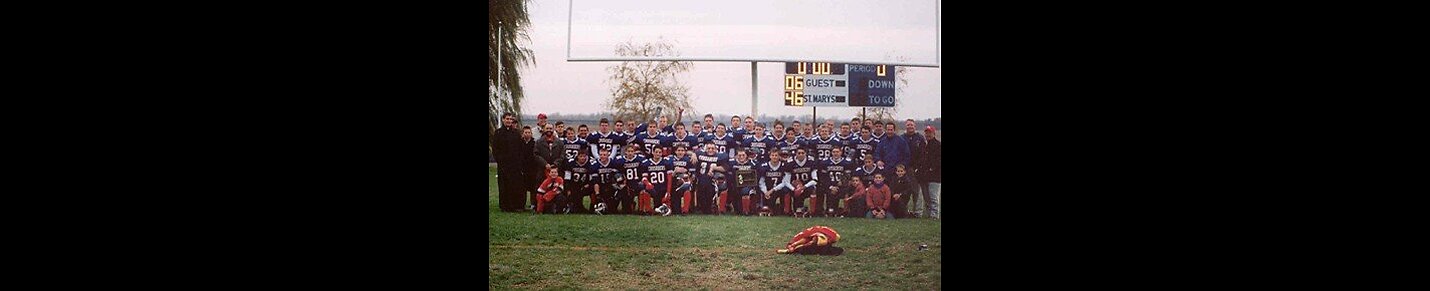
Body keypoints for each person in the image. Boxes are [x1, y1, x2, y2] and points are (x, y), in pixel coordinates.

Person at [492, 113, 524, 212]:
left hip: (514, 165)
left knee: (513, 185)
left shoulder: (516, 133)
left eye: (510, 119)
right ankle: (504, 206)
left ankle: (514, 205)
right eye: (507, 119)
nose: (509, 121)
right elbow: (495, 149)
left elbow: (520, 149)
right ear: (503, 120)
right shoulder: (498, 133)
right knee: (503, 185)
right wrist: (500, 161)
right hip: (503, 164)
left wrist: (518, 162)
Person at [901, 119, 929, 217]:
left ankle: (918, 212)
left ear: (915, 126)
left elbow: (923, 154)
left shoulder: (920, 138)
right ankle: (904, 211)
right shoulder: (902, 138)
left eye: (911, 125)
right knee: (905, 190)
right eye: (908, 125)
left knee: (916, 191)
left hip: (916, 168)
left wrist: (918, 167)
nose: (910, 127)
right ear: (906, 126)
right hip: (904, 168)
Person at [694, 142, 729, 214]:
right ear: (705, 149)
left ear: (716, 149)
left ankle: (711, 208)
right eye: (708, 148)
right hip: (701, 178)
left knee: (710, 188)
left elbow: (725, 168)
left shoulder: (720, 156)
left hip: (713, 179)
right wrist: (693, 154)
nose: (710, 150)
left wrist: (714, 168)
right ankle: (703, 209)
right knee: (702, 187)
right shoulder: (699, 154)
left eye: (712, 148)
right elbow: (695, 153)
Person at [819, 147, 855, 216]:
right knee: (827, 192)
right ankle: (830, 209)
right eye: (834, 152)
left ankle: (845, 210)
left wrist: (842, 183)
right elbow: (823, 177)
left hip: (842, 185)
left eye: (837, 152)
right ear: (831, 153)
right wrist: (830, 187)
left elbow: (848, 176)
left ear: (841, 152)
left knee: (846, 191)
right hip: (829, 185)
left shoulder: (847, 162)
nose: (835, 153)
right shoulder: (825, 162)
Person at [638, 147, 674, 215]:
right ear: (653, 152)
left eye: (660, 152)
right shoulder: (646, 163)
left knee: (665, 207)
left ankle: (658, 209)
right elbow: (644, 177)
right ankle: (647, 210)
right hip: (653, 188)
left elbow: (669, 178)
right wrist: (648, 183)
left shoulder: (666, 162)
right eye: (656, 152)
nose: (658, 154)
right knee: (645, 191)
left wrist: (668, 192)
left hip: (663, 188)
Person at [615, 144, 647, 214]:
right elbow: (617, 173)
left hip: (636, 183)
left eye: (632, 151)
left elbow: (644, 170)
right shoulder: (620, 160)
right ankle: (631, 204)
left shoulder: (640, 159)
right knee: (627, 211)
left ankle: (641, 208)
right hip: (626, 184)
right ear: (625, 152)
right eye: (628, 151)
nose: (630, 153)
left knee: (642, 188)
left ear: (634, 152)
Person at [759, 151, 794, 215]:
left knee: (786, 189)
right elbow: (761, 182)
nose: (774, 157)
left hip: (779, 189)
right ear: (770, 156)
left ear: (779, 157)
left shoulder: (784, 166)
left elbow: (785, 182)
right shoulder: (764, 166)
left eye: (776, 155)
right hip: (768, 189)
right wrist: (765, 191)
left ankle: (787, 210)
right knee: (770, 207)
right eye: (772, 155)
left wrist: (773, 190)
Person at [788, 147, 819, 216]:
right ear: (796, 154)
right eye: (799, 153)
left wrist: (803, 187)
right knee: (787, 190)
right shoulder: (790, 163)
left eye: (802, 153)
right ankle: (788, 211)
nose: (801, 155)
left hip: (806, 186)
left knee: (813, 189)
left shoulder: (811, 162)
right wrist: (794, 188)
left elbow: (815, 180)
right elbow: (786, 181)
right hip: (795, 187)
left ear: (806, 154)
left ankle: (812, 211)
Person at [727, 149, 759, 215]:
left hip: (748, 185)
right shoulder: (732, 164)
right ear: (736, 156)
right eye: (739, 155)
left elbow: (755, 177)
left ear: (746, 156)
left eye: (743, 155)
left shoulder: (752, 164)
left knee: (745, 191)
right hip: (735, 185)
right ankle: (737, 210)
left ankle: (746, 210)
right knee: (733, 191)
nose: (741, 157)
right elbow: (729, 176)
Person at [590, 148, 621, 214]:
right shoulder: (595, 164)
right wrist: (597, 193)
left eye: (604, 155)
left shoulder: (613, 163)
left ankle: (613, 207)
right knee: (593, 191)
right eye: (601, 154)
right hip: (600, 185)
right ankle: (594, 205)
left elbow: (618, 176)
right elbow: (596, 182)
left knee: (617, 195)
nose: (602, 156)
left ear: (608, 155)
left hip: (611, 186)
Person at [921, 126, 942, 219]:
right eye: (926, 133)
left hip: (935, 176)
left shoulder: (938, 145)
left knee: (934, 197)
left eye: (930, 132)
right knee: (927, 197)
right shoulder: (925, 145)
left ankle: (935, 214)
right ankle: (929, 213)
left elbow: (938, 161)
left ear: (934, 133)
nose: (928, 134)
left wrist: (931, 168)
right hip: (925, 176)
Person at [776, 226, 841, 254]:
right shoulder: (807, 234)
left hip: (823, 236)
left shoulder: (835, 237)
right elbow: (801, 238)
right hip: (816, 235)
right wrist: (791, 245)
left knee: (807, 248)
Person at [519, 126, 540, 211]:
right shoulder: (519, 143)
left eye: (529, 132)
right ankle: (521, 204)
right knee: (522, 188)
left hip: (532, 169)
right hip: (522, 169)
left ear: (531, 134)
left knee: (533, 188)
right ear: (523, 134)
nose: (527, 134)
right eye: (525, 132)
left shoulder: (535, 143)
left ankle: (533, 204)